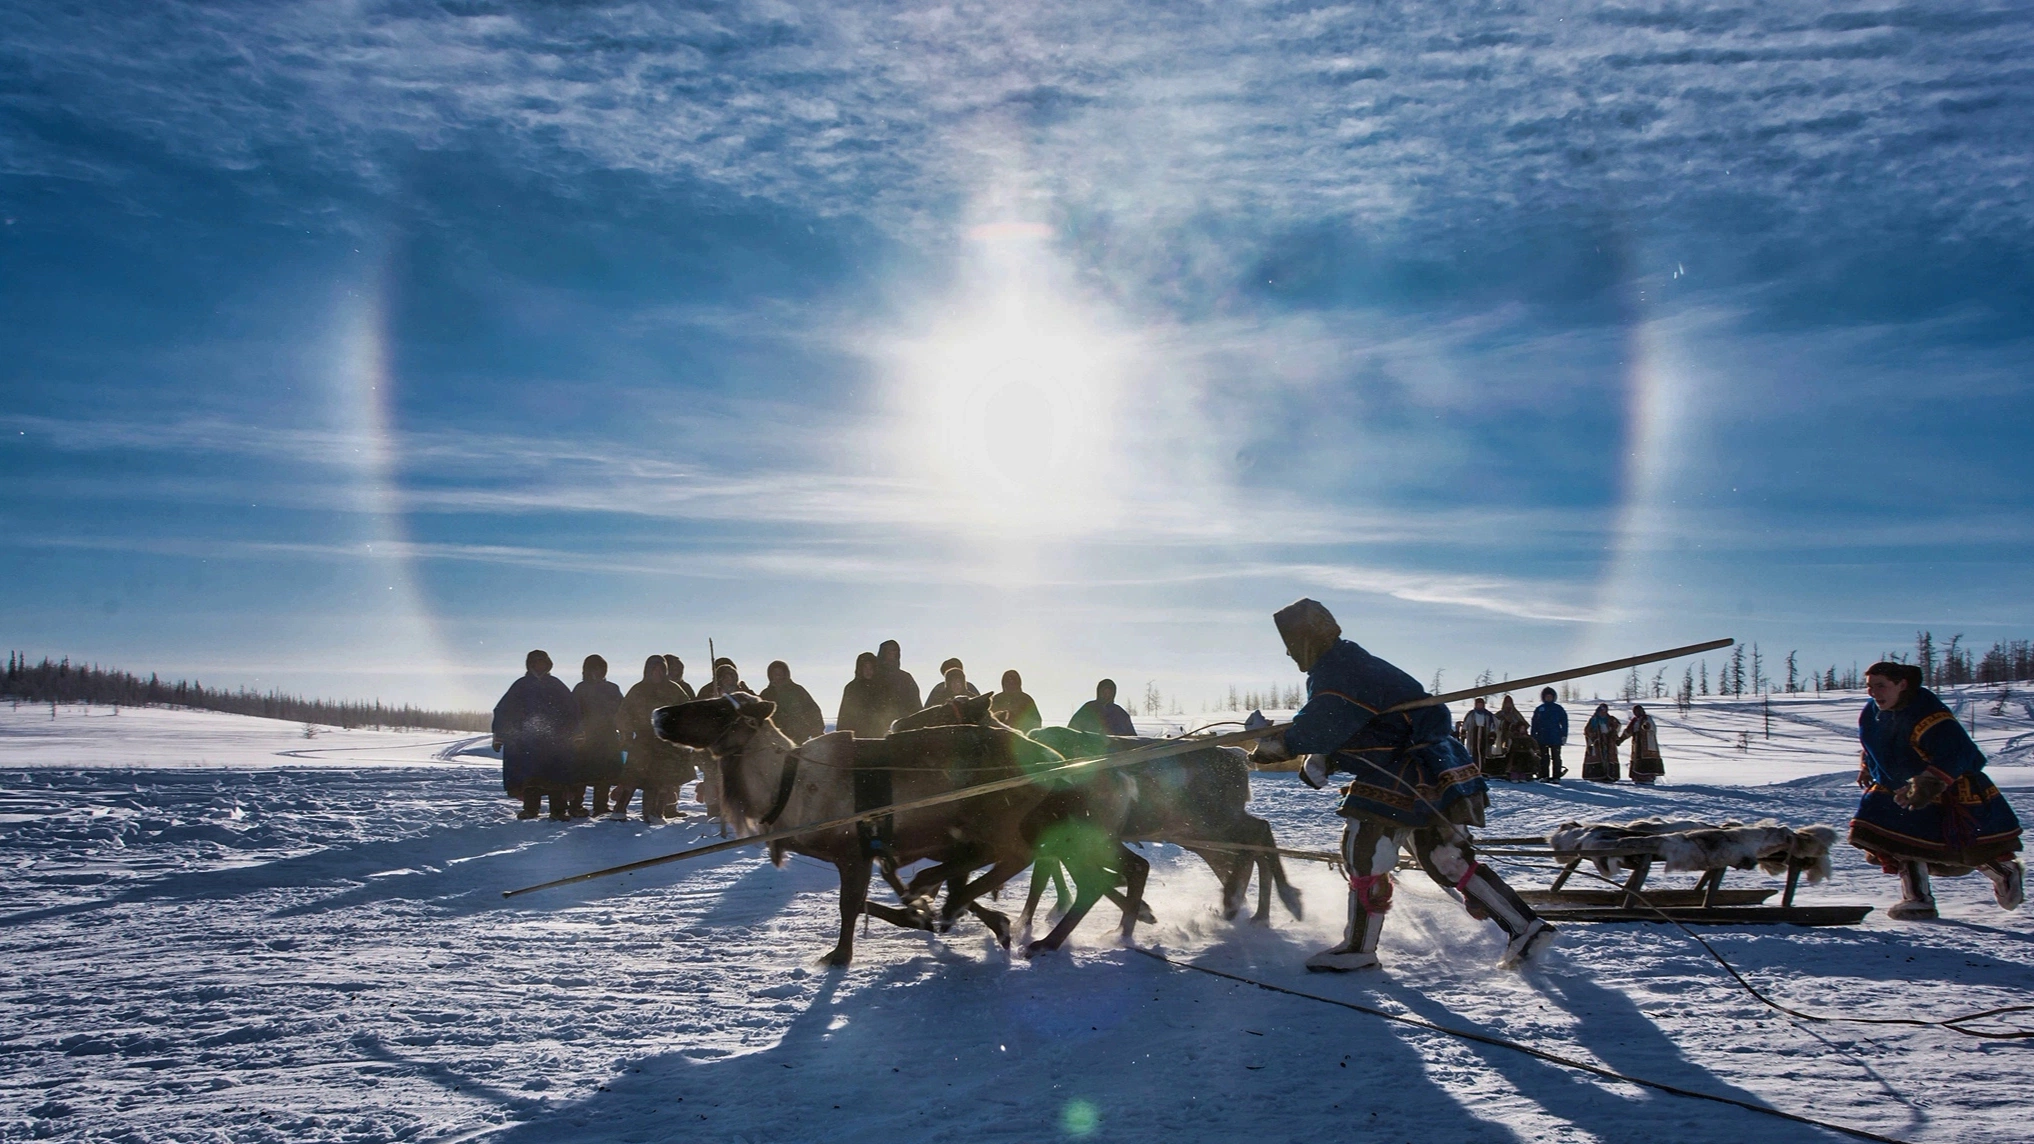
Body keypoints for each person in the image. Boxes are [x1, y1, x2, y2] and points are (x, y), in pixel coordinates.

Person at [1246, 599, 1554, 972]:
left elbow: (1319, 727)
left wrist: (1270, 745)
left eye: (1293, 644)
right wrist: (1326, 755)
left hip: (1403, 771)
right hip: (1431, 765)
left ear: (1308, 640)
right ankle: (1526, 927)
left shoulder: (1339, 669)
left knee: (1364, 850)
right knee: (1445, 857)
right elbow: (1357, 727)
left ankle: (1359, 948)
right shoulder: (1352, 662)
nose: (1292, 653)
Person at [1850, 661, 2024, 920]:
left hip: (1949, 788)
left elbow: (1957, 753)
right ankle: (1918, 900)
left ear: (1902, 684)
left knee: (1962, 847)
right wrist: (1867, 766)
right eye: (1870, 687)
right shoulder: (1872, 712)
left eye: (1881, 686)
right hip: (1897, 786)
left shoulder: (1929, 715)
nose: (1874, 693)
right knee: (1894, 838)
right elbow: (1875, 744)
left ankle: (2004, 873)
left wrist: (1926, 784)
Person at [492, 650, 579, 821]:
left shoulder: (556, 685)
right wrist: (500, 733)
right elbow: (504, 710)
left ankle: (559, 810)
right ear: (530, 664)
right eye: (536, 662)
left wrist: (576, 732)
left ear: (548, 664)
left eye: (543, 662)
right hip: (528, 741)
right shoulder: (521, 685)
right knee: (531, 777)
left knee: (557, 775)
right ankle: (531, 808)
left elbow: (572, 709)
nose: (540, 666)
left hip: (555, 740)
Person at [612, 655, 694, 822]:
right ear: (647, 671)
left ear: (665, 671)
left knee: (662, 779)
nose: (657, 673)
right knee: (632, 776)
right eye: (653, 669)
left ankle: (656, 813)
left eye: (660, 669)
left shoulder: (674, 689)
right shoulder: (638, 689)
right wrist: (626, 733)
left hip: (665, 741)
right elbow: (624, 713)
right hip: (643, 740)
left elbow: (687, 711)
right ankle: (619, 810)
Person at [570, 654, 625, 816]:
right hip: (586, 737)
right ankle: (575, 805)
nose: (598, 672)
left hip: (607, 736)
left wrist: (623, 730)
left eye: (601, 668)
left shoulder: (612, 688)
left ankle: (601, 805)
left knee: (605, 773)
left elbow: (622, 711)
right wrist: (577, 732)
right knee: (582, 773)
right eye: (594, 668)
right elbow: (574, 712)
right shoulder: (581, 689)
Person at [760, 660, 825, 744]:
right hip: (774, 741)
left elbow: (812, 709)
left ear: (785, 673)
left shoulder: (797, 691)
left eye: (780, 672)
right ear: (770, 675)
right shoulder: (766, 694)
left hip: (798, 737)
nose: (778, 675)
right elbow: (759, 715)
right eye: (775, 673)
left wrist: (817, 730)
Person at [836, 652, 890, 738]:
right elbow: (845, 714)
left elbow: (889, 710)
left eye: (871, 668)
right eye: (865, 667)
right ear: (860, 669)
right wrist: (841, 736)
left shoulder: (882, 687)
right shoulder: (852, 688)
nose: (868, 671)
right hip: (858, 736)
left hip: (879, 735)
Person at [874, 640, 921, 729]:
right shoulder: (873, 678)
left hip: (902, 728)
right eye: (888, 651)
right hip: (875, 728)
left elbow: (916, 706)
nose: (891, 655)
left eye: (894, 651)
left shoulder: (905, 678)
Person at [1069, 678, 1137, 736]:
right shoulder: (1088, 709)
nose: (1107, 695)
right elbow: (1072, 730)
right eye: (1104, 692)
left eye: (1109, 693)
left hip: (1118, 749)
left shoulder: (1120, 713)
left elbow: (1132, 738)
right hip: (1090, 748)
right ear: (1099, 692)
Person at [1531, 687, 1568, 782]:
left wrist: (1564, 735)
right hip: (1542, 736)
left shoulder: (1558, 709)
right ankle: (1544, 775)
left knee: (1556, 757)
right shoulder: (1540, 709)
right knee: (1543, 758)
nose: (1548, 698)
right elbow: (1534, 723)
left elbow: (1564, 722)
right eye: (1547, 696)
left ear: (1553, 697)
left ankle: (1556, 776)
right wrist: (1533, 736)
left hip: (1555, 737)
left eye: (1550, 696)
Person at [1495, 695, 1536, 781]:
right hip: (1502, 737)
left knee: (1515, 756)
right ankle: (1503, 771)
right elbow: (1493, 723)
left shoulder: (1516, 714)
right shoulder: (1500, 714)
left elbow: (1524, 724)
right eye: (1506, 703)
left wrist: (1517, 730)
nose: (1508, 705)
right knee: (1503, 754)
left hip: (1516, 739)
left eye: (1510, 703)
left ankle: (1520, 773)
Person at [1622, 704, 1664, 784]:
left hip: (1647, 743)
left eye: (1638, 711)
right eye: (1635, 711)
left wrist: (1646, 727)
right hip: (1637, 744)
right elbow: (1628, 731)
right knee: (1638, 759)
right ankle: (1638, 777)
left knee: (1647, 759)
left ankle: (1648, 777)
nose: (1637, 713)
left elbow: (1651, 726)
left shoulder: (1647, 718)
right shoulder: (1634, 721)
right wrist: (1620, 739)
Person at [1458, 697, 1499, 777]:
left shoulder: (1488, 715)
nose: (1479, 706)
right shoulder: (1471, 714)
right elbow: (1466, 724)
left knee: (1483, 753)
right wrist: (1463, 733)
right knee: (1474, 753)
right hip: (1474, 734)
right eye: (1478, 704)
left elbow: (1492, 726)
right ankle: (1475, 770)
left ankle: (1483, 770)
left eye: (1481, 704)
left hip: (1484, 734)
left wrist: (1492, 735)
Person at [1581, 703, 1622, 782]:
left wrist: (1612, 733)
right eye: (1601, 710)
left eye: (1604, 711)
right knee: (1597, 757)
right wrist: (1594, 736)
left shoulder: (1610, 719)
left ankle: (1610, 774)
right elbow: (1587, 730)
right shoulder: (1594, 719)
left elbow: (1618, 726)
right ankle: (1597, 775)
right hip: (1597, 742)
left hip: (1608, 741)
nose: (1603, 712)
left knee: (1609, 757)